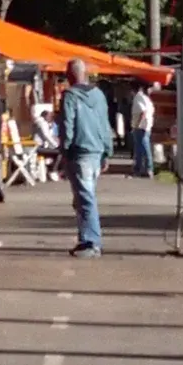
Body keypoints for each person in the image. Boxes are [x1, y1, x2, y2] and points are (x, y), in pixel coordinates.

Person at [60, 58, 114, 257]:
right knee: (84, 197)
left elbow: (68, 124)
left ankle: (92, 242)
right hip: (97, 152)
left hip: (80, 152)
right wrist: (107, 151)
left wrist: (64, 151)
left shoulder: (70, 96)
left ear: (70, 74)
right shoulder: (99, 95)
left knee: (85, 198)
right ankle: (85, 239)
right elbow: (104, 123)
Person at [129, 79, 155, 178]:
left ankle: (147, 168)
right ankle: (140, 168)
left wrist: (138, 125)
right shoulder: (145, 98)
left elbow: (142, 112)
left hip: (141, 127)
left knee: (143, 147)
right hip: (145, 126)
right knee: (140, 148)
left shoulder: (138, 98)